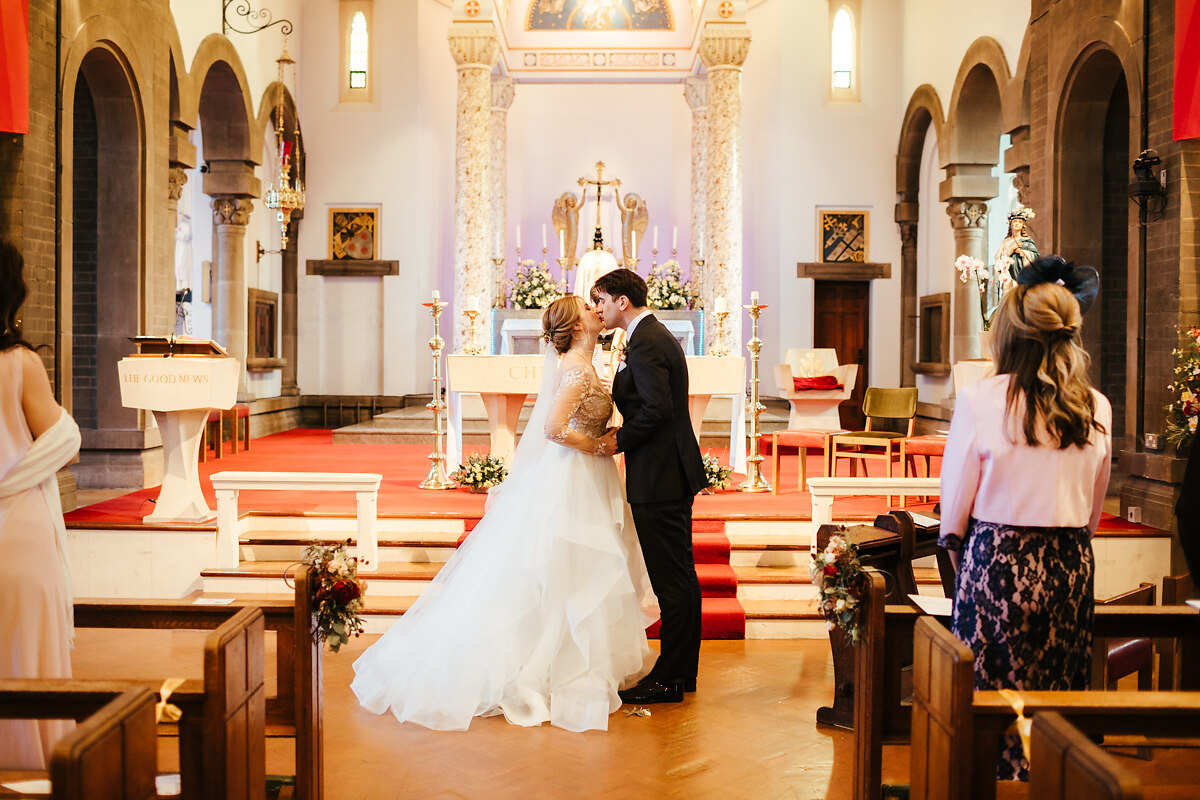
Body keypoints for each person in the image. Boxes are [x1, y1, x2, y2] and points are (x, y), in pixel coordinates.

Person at [351, 295, 656, 732]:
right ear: (575, 324)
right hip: (573, 476)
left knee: (575, 572)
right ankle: (550, 668)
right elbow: (553, 429)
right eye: (587, 309)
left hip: (586, 474)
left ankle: (567, 660)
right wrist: (599, 445)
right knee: (563, 570)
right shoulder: (574, 369)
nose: (596, 310)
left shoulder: (582, 365)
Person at [938, 256, 1110, 781]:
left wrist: (957, 547)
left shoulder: (981, 399)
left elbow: (954, 507)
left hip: (998, 564)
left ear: (1009, 333)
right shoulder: (1096, 406)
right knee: (1058, 695)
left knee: (993, 698)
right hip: (1070, 563)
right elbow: (1095, 506)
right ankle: (1055, 782)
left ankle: (994, 782)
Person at [591, 268, 707, 705]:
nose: (598, 309)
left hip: (660, 476)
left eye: (602, 300)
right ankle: (682, 672)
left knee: (672, 579)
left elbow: (657, 409)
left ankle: (672, 677)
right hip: (665, 471)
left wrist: (616, 441)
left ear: (623, 301)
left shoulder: (645, 341)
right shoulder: (648, 336)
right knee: (679, 574)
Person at [0, 240, 81, 769]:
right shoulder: (19, 363)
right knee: (27, 658)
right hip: (16, 531)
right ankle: (31, 771)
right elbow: (64, 441)